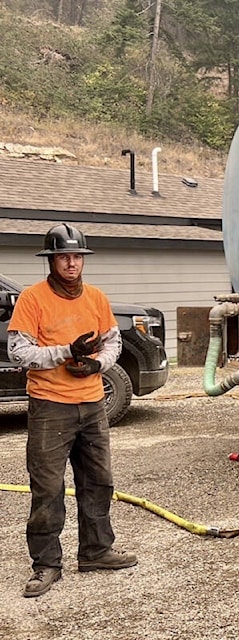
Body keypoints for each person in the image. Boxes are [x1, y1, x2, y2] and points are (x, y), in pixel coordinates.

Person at [7, 223, 137, 598]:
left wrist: (97, 365)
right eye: (63, 257)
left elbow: (113, 343)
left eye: (76, 257)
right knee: (47, 487)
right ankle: (46, 565)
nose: (70, 264)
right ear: (51, 260)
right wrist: (67, 352)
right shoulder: (32, 299)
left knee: (98, 481)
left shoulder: (96, 298)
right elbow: (19, 352)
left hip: (93, 403)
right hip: (50, 407)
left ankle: (96, 550)